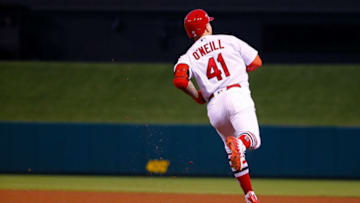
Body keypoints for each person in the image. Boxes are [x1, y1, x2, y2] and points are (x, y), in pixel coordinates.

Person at [173, 9, 263, 203]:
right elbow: (256, 62)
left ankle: (249, 195)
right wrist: (239, 68)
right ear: (206, 26)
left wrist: (196, 95)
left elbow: (180, 80)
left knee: (233, 154)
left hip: (214, 107)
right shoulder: (229, 40)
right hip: (235, 93)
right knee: (252, 140)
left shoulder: (187, 56)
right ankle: (240, 144)